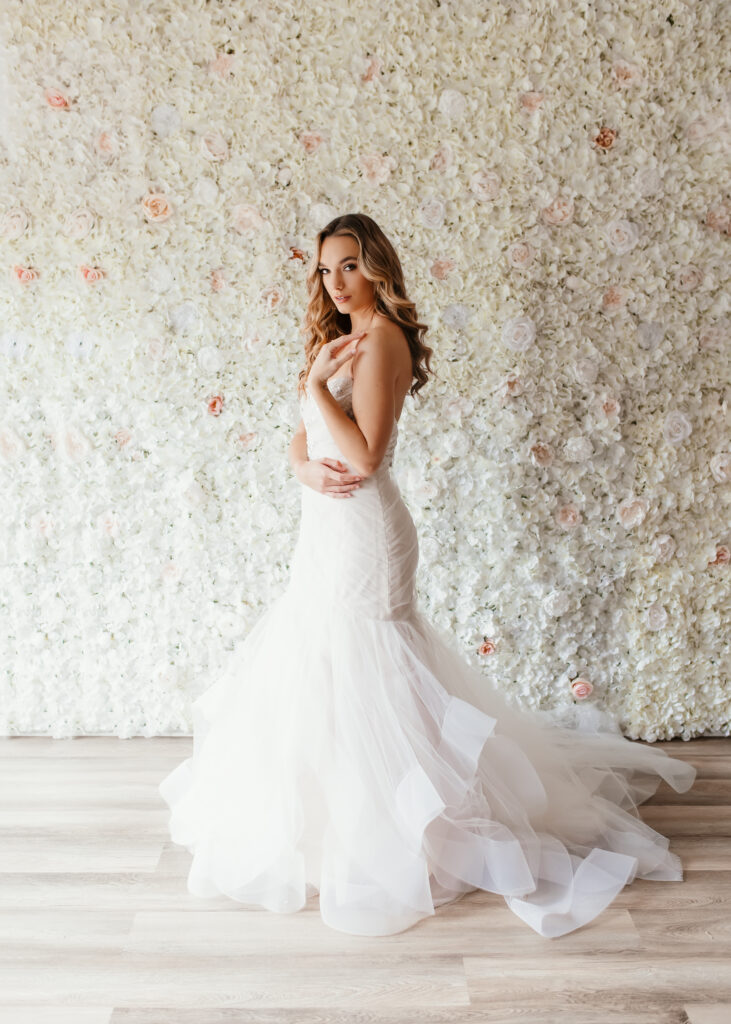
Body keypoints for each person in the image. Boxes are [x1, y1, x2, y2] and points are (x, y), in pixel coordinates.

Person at [158, 212, 697, 938]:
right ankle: (332, 829)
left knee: (372, 666)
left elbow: (367, 456)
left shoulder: (382, 340)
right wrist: (301, 464)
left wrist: (320, 392)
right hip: (324, 525)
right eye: (324, 268)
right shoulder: (333, 340)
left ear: (376, 266)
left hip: (365, 533)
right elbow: (307, 440)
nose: (335, 281)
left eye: (348, 265)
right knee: (320, 663)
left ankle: (409, 831)